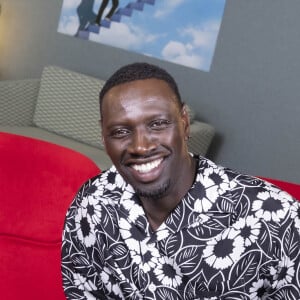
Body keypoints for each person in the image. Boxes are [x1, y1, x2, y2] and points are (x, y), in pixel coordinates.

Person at [61, 62, 300, 300]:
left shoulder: (277, 219)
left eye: (157, 124)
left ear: (184, 123)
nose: (141, 146)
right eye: (121, 132)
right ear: (103, 136)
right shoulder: (93, 202)